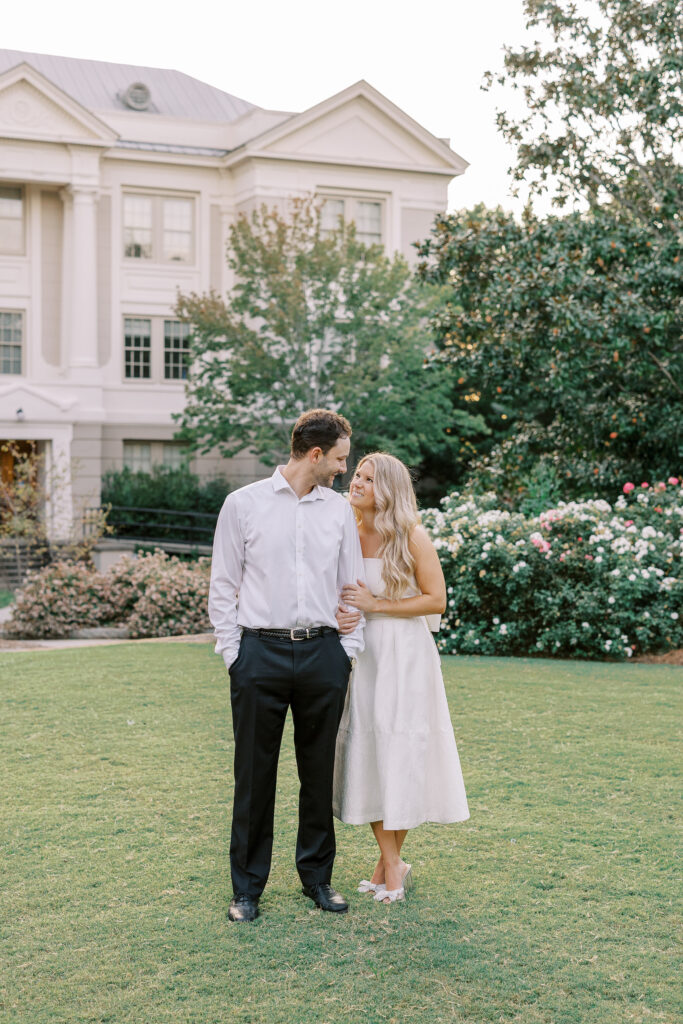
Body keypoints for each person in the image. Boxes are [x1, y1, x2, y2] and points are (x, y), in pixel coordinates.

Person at [209, 409, 365, 923]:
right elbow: (223, 585)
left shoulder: (338, 511)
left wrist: (347, 650)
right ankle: (246, 889)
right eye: (340, 458)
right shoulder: (243, 504)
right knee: (254, 777)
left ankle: (317, 879)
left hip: (324, 655)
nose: (344, 469)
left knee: (317, 774)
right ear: (315, 454)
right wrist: (234, 655)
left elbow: (351, 586)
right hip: (259, 655)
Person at [333, 452, 469, 904]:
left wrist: (379, 606)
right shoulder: (346, 532)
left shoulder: (412, 536)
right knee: (371, 752)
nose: (357, 482)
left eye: (368, 479)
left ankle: (389, 865)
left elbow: (437, 600)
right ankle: (392, 863)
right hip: (365, 655)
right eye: (357, 474)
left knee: (402, 752)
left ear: (388, 489)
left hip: (407, 656)